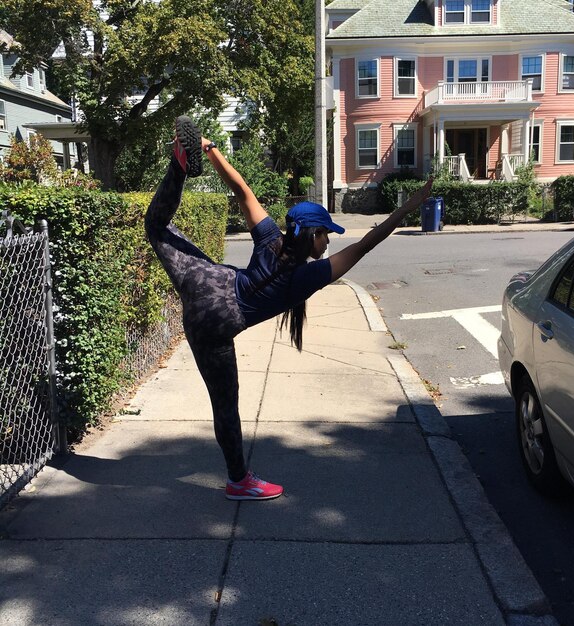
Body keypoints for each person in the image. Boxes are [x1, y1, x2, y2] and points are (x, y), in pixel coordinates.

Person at [145, 116, 433, 501]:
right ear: (313, 235)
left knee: (157, 226)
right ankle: (238, 479)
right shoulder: (305, 278)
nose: (329, 242)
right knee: (225, 405)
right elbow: (366, 245)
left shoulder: (270, 238)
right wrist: (409, 208)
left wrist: (210, 151)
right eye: (327, 234)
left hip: (206, 284)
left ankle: (179, 167)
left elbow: (241, 189)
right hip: (215, 322)